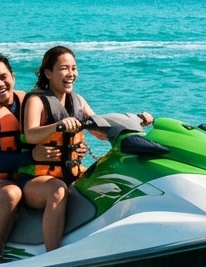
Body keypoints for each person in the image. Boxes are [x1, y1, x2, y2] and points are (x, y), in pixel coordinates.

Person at [19, 46, 152, 251]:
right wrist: (57, 126)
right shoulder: (36, 100)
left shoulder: (78, 101)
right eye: (64, 68)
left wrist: (134, 122)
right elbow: (30, 134)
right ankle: (52, 256)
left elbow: (99, 131)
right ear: (48, 73)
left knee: (111, 181)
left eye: (74, 68)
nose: (71, 74)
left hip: (70, 173)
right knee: (57, 190)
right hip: (35, 182)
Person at [0, 51, 58, 264]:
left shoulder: (29, 102)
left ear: (12, 76)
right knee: (11, 194)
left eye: (3, 77)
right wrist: (33, 157)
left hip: (28, 176)